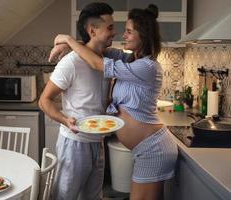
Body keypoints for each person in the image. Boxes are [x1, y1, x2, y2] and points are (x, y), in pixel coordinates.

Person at [50, 4, 178, 200]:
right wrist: (69, 44)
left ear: (142, 35)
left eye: (128, 31)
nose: (121, 35)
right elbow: (92, 49)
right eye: (113, 28)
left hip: (151, 149)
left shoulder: (146, 66)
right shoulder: (127, 59)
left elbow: (96, 63)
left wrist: (67, 39)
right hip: (132, 148)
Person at [38, 2, 115, 200]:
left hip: (97, 141)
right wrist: (64, 119)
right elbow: (44, 100)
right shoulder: (71, 62)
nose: (115, 32)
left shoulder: (105, 59)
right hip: (74, 143)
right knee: (65, 196)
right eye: (110, 27)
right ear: (92, 31)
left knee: (93, 196)